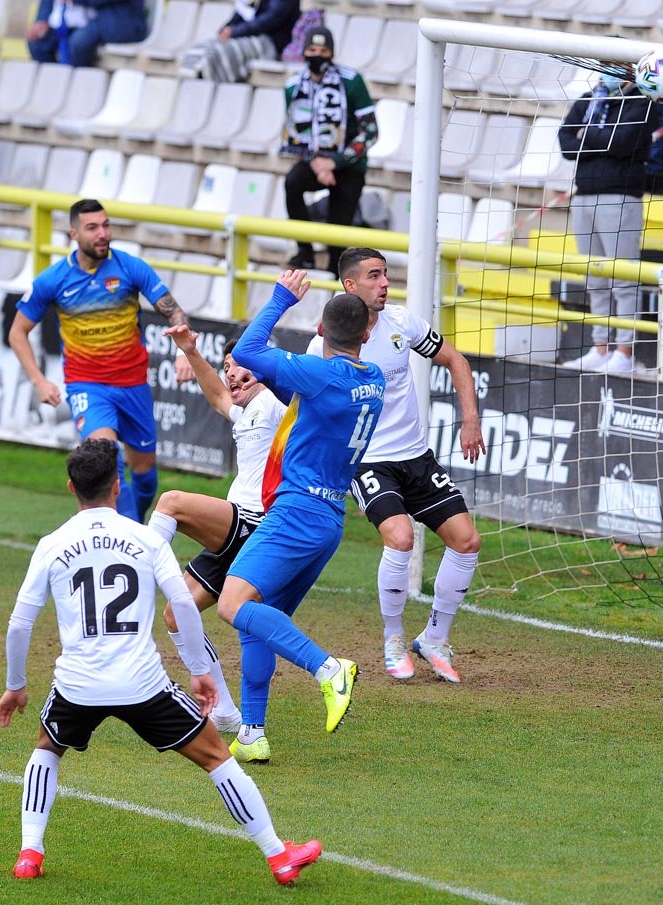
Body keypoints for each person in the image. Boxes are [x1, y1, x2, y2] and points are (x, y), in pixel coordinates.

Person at [0, 437, 322, 885]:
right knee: (216, 757)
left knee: (48, 747)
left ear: (72, 488)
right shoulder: (145, 539)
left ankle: (29, 853)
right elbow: (184, 607)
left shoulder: (53, 544)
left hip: (78, 686)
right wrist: (201, 672)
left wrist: (16, 685)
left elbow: (19, 623)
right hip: (143, 685)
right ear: (117, 485)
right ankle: (277, 855)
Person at [213, 271, 384, 759]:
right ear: (367, 333)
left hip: (298, 509)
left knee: (231, 604)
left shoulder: (320, 375)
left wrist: (281, 299)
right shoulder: (372, 380)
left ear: (322, 334)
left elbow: (246, 351)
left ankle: (329, 669)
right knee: (259, 619)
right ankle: (251, 733)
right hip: (329, 518)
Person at [308, 247, 485, 685]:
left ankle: (434, 639)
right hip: (368, 461)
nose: (385, 283)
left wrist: (471, 419)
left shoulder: (403, 325)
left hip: (416, 456)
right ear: (350, 285)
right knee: (401, 536)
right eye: (373, 276)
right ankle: (392, 638)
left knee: (467, 540)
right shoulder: (324, 344)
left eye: (386, 274)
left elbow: (456, 360)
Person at [9, 198, 195, 523]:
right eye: (92, 227)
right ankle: (129, 540)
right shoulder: (53, 280)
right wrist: (38, 379)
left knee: (146, 475)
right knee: (108, 462)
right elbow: (17, 332)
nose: (102, 233)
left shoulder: (130, 268)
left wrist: (185, 351)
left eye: (106, 225)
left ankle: (133, 522)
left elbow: (174, 311)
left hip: (133, 384)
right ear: (73, 234)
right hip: (87, 386)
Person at [147, 328, 289, 744]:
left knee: (171, 502)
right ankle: (225, 711)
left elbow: (285, 381)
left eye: (239, 366)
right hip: (237, 531)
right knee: (177, 613)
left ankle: (135, 565)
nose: (231, 376)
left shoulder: (278, 402)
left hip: (256, 524)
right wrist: (191, 350)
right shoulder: (245, 413)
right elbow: (216, 397)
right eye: (227, 368)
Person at [558, 70, 661, 373]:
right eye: (603, 64)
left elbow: (621, 143)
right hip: (584, 195)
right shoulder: (589, 100)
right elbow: (565, 143)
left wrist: (586, 134)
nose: (607, 72)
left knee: (624, 279)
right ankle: (600, 347)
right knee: (595, 277)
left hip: (620, 197)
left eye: (613, 64)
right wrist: (599, 138)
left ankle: (624, 352)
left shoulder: (641, 102)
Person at [281, 26, 378, 278]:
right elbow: (296, 136)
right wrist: (318, 164)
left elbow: (370, 132)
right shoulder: (293, 86)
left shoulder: (351, 81)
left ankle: (335, 280)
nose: (317, 55)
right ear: (303, 52)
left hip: (349, 167)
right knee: (292, 182)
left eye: (323, 51)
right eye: (312, 50)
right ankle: (305, 252)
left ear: (332, 53)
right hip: (316, 164)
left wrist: (334, 162)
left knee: (338, 237)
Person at [178, 0, 301, 82]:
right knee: (201, 49)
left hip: (269, 43)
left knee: (218, 53)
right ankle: (191, 83)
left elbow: (272, 19)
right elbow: (243, 12)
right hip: (244, 36)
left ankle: (204, 80)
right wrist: (227, 29)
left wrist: (235, 32)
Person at [27, 0, 149, 68]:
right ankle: (54, 87)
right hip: (74, 20)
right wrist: (42, 20)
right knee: (38, 44)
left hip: (117, 21)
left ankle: (78, 87)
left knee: (79, 42)